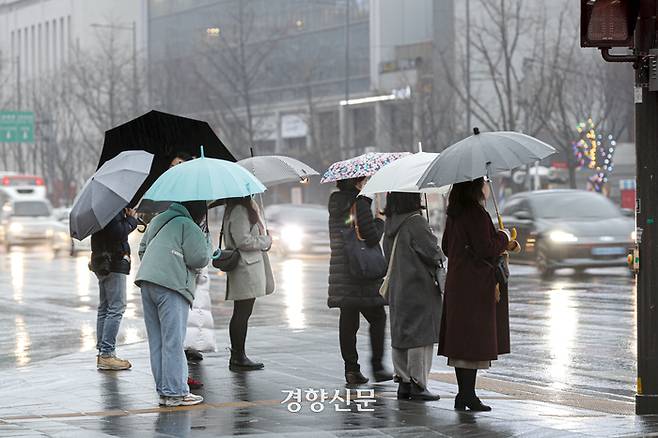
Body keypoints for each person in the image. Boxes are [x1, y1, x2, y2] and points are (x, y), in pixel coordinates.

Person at [438, 177, 517, 411]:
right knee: (472, 342)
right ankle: (467, 395)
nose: (485, 186)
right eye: (482, 182)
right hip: (476, 286)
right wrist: (503, 237)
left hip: (458, 284)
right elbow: (486, 248)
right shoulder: (476, 214)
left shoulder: (455, 214)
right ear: (473, 187)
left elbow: (446, 247)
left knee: (462, 341)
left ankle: (464, 394)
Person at [135, 200, 211, 407]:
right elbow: (200, 258)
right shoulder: (188, 225)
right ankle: (176, 392)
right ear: (198, 212)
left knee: (157, 341)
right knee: (173, 341)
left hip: (148, 282)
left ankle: (164, 391)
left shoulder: (158, 219)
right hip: (172, 286)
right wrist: (207, 238)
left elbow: (143, 250)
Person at [327, 177, 392, 385]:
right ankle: (377, 366)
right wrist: (380, 221)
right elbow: (370, 237)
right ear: (358, 181)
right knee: (378, 318)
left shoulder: (336, 204)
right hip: (362, 272)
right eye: (364, 179)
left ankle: (351, 369)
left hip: (343, 270)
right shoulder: (359, 203)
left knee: (348, 321)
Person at [383, 192, 443, 401]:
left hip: (398, 288)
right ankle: (418, 384)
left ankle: (404, 382)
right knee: (420, 336)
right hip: (418, 287)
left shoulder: (390, 223)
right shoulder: (416, 222)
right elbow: (432, 252)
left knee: (401, 334)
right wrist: (434, 243)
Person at [168, 151, 213, 390]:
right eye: (174, 164)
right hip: (178, 266)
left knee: (196, 307)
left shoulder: (197, 194)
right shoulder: (171, 198)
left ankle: (192, 346)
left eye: (181, 163)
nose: (178, 167)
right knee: (178, 318)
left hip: (193, 260)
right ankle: (177, 378)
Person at [223, 196, 275, 371]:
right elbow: (242, 240)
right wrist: (265, 240)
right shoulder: (239, 210)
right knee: (242, 313)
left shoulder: (241, 208)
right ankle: (238, 356)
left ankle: (239, 355)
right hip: (245, 268)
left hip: (248, 267)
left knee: (243, 312)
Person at [90, 208, 138, 370]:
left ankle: (103, 351)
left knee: (105, 308)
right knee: (116, 308)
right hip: (113, 261)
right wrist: (131, 219)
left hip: (102, 261)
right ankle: (107, 354)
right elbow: (117, 232)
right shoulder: (110, 210)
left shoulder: (100, 208)